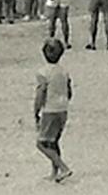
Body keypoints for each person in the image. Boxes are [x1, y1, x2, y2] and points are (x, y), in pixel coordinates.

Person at [35, 38, 73, 183]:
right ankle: (55, 171)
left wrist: (36, 111)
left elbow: (40, 93)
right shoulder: (64, 71)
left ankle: (63, 168)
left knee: (41, 143)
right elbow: (69, 91)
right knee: (54, 141)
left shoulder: (43, 72)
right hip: (63, 109)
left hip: (50, 109)